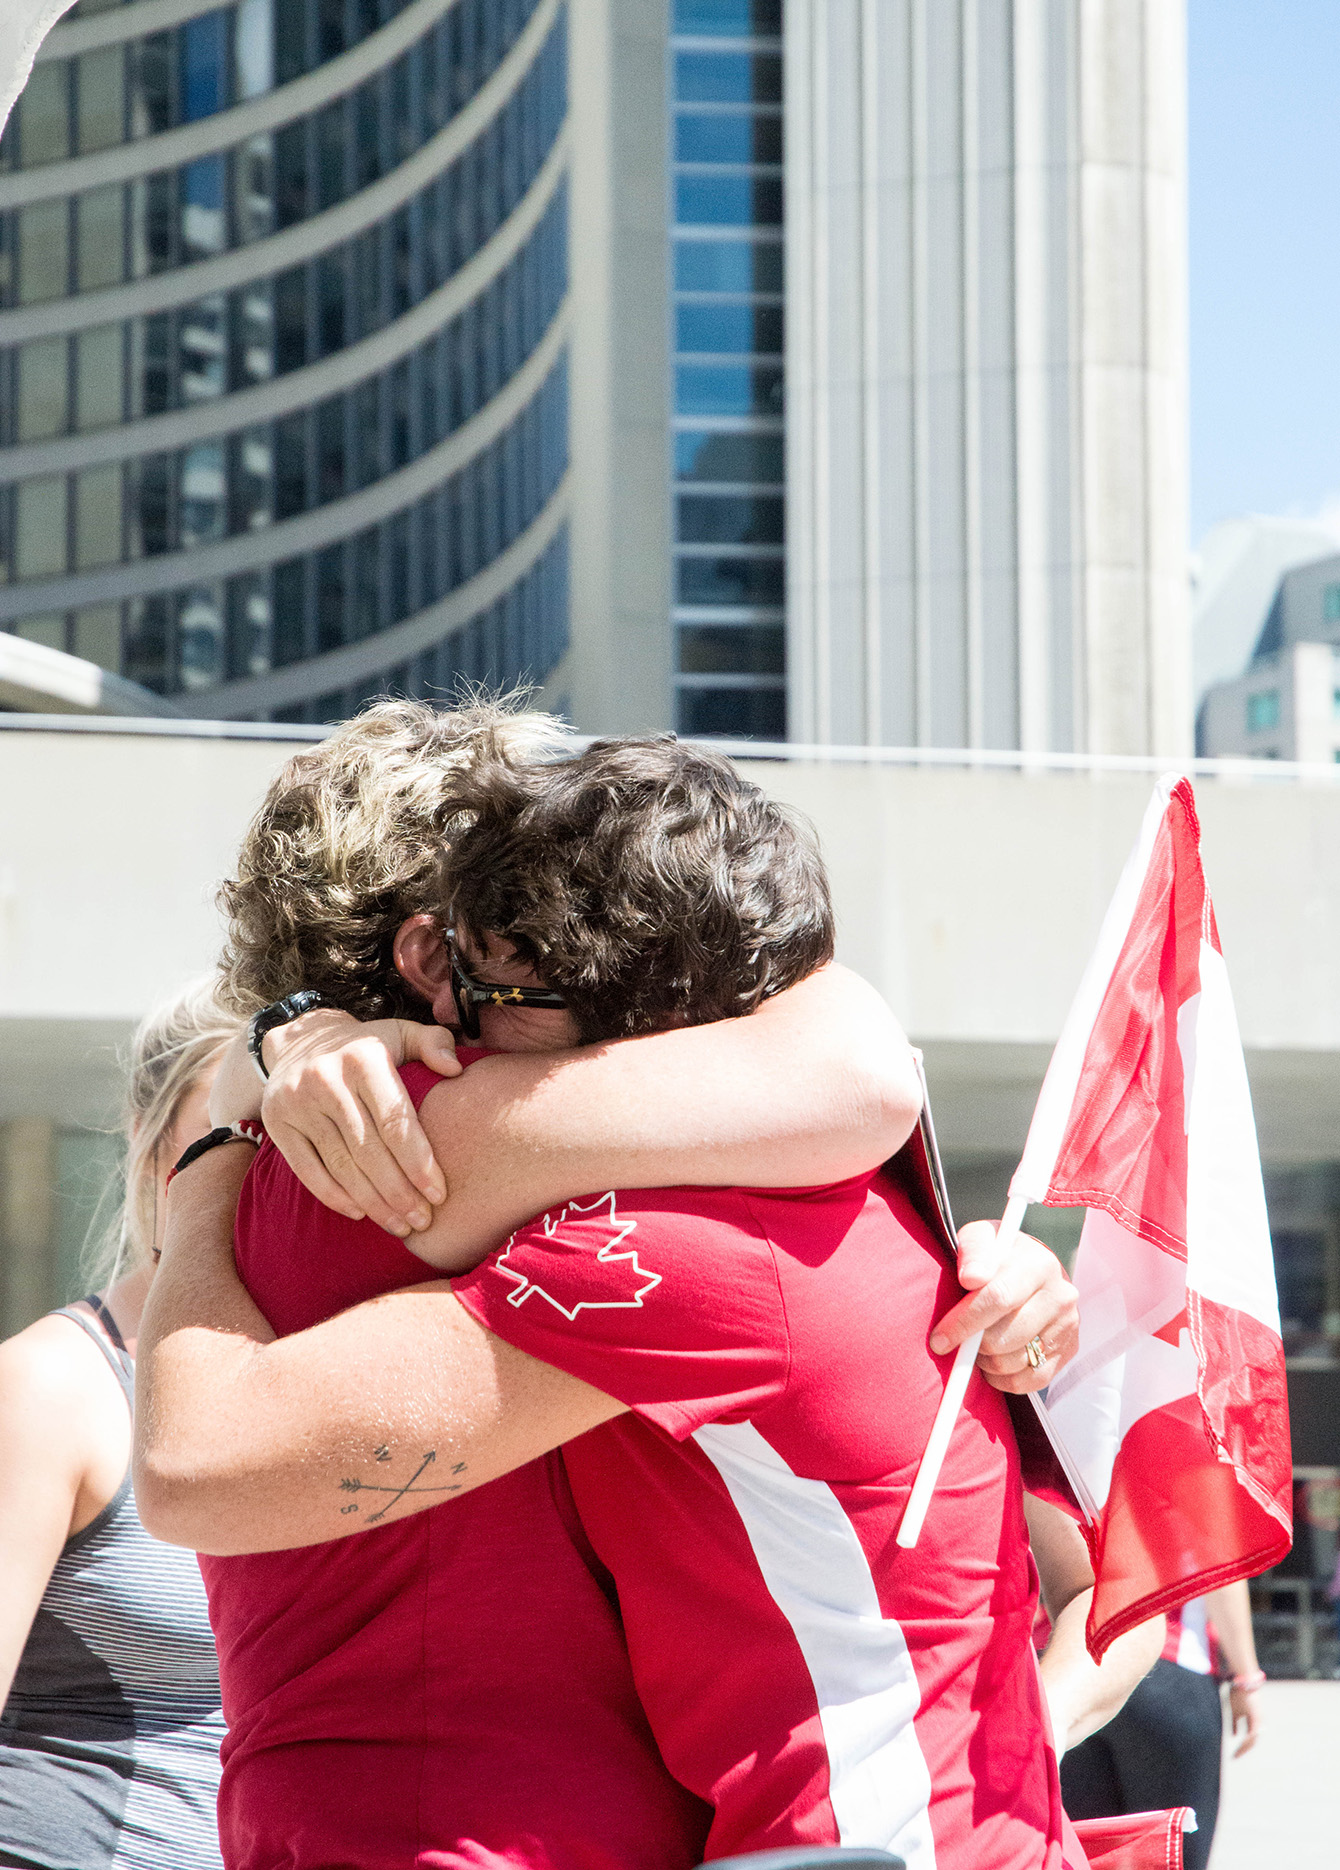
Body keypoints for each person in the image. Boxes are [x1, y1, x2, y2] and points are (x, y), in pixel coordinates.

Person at [137, 728, 1148, 1870]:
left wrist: (220, 1142)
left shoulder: (656, 1240)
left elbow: (193, 1465)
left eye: (485, 986)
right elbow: (859, 1063)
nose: (462, 1028)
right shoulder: (784, 1174)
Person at [0, 982, 233, 1870]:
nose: (263, 1167)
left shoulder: (332, 1384)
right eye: (227, 1131)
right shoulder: (52, 1386)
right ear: (150, 1145)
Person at [1060, 1579, 1264, 1870]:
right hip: (1170, 1666)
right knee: (1173, 1856)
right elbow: (1222, 1574)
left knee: (1084, 1854)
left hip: (1074, 1674)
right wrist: (1247, 1678)